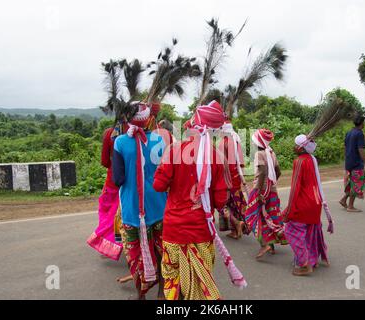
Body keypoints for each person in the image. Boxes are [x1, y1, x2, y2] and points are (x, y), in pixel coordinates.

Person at [153, 100, 246, 300]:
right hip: (201, 231)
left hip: (174, 230)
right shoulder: (216, 156)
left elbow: (158, 185)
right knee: (201, 284)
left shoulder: (175, 150)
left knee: (173, 280)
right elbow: (221, 201)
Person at [112, 101, 167, 300]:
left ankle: (140, 295)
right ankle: (162, 293)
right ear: (149, 119)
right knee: (161, 251)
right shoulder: (160, 141)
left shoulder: (119, 142)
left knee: (133, 254)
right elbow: (166, 175)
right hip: (159, 206)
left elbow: (117, 179)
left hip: (132, 209)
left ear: (127, 119)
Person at [283, 135, 332, 276]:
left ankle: (305, 265)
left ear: (300, 147)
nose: (293, 147)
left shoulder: (299, 161)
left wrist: (288, 211)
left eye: (295, 145)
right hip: (316, 202)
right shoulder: (312, 159)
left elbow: (295, 189)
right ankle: (312, 260)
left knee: (291, 231)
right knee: (309, 233)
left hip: (304, 204)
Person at [86, 118, 126, 262]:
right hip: (131, 181)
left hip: (113, 179)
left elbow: (104, 161)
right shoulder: (137, 133)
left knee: (107, 210)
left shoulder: (109, 133)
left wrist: (114, 165)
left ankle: (106, 242)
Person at [244, 129, 287, 259]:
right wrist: (271, 184)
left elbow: (262, 171)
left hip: (260, 190)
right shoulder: (271, 152)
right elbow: (278, 171)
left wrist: (259, 191)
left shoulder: (259, 154)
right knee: (269, 216)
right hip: (272, 190)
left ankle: (265, 244)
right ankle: (272, 244)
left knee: (251, 217)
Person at [217, 121, 249, 239]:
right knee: (235, 203)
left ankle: (236, 224)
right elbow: (241, 162)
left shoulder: (223, 143)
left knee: (223, 204)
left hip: (226, 179)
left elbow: (220, 163)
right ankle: (236, 229)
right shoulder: (235, 141)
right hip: (236, 178)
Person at [339, 115, 365, 212]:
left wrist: (346, 159)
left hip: (349, 162)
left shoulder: (349, 133)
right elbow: (361, 150)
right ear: (362, 123)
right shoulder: (359, 134)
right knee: (356, 184)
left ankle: (344, 199)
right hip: (356, 163)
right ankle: (350, 206)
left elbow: (345, 147)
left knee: (351, 183)